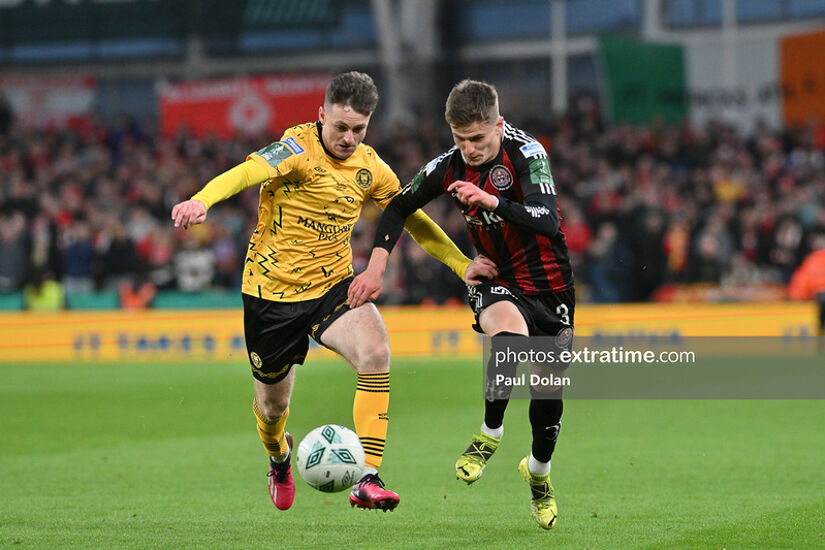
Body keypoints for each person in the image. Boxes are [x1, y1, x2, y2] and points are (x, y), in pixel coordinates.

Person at [170, 72, 496, 513]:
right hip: (272, 295)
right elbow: (247, 172)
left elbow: (412, 219)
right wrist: (203, 200)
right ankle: (279, 456)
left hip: (333, 286)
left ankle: (369, 478)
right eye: (340, 127)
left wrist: (462, 264)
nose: (348, 137)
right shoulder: (296, 148)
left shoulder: (371, 168)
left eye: (358, 129)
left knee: (376, 352)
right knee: (271, 407)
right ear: (321, 116)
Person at [348, 79, 574, 529]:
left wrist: (493, 200)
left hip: (550, 288)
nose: (469, 148)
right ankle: (489, 434)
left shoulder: (528, 155)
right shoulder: (448, 166)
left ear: (499, 126)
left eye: (478, 138)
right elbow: (396, 209)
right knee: (509, 339)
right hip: (497, 278)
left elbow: (548, 221)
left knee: (548, 398)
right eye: (460, 138)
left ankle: (538, 473)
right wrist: (376, 268)